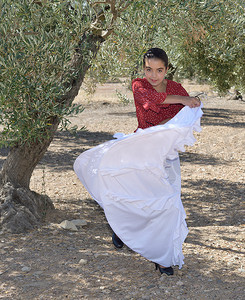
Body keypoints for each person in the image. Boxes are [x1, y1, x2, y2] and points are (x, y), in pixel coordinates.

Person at [74, 48, 202, 277]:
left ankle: (162, 257)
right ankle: (123, 231)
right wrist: (185, 101)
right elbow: (155, 100)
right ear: (143, 69)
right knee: (139, 198)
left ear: (167, 69)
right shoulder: (139, 85)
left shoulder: (175, 87)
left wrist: (190, 105)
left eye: (159, 70)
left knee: (167, 201)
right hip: (140, 151)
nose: (153, 75)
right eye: (149, 69)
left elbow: (181, 116)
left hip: (166, 153)